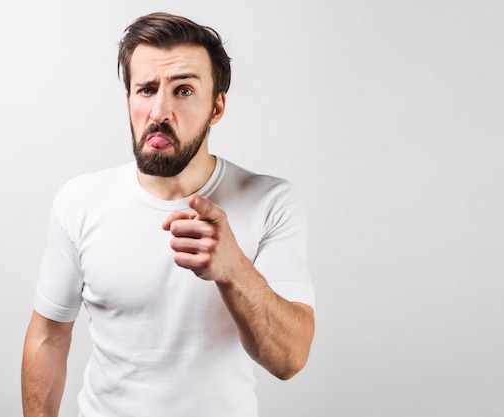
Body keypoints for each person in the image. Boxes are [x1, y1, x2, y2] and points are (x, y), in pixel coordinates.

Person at [21, 12, 315, 417]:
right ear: (128, 101)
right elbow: (48, 337)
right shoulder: (80, 200)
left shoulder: (270, 201)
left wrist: (234, 271)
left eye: (183, 90)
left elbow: (290, 359)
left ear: (216, 107)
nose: (159, 110)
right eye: (146, 89)